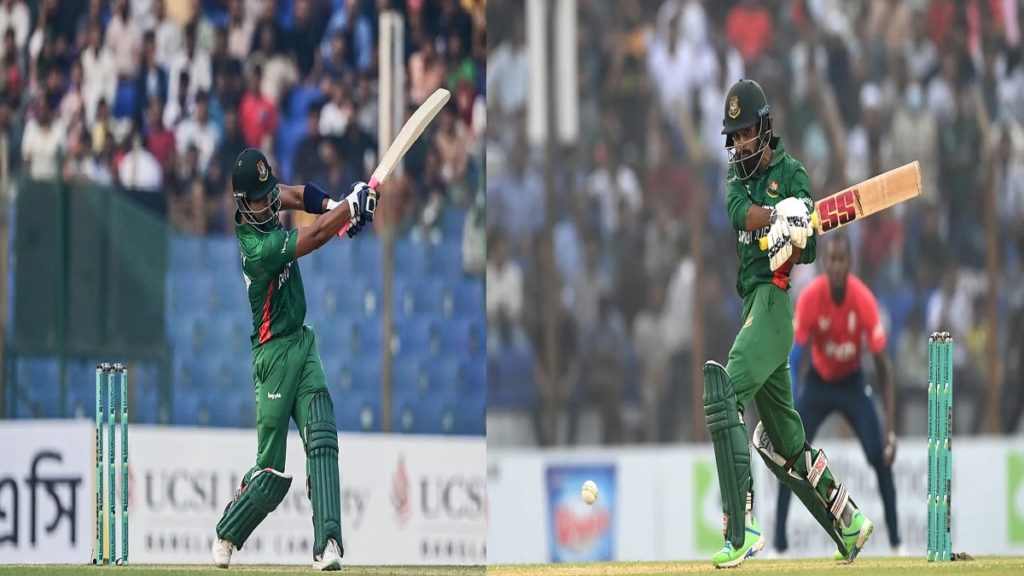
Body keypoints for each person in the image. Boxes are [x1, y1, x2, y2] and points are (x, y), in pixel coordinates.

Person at [700, 79, 873, 568]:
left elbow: (811, 247)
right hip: (753, 306)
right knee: (784, 445)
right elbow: (739, 214)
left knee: (723, 394)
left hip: (774, 300)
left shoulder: (792, 173)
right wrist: (779, 215)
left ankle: (741, 530)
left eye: (745, 134)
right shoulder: (737, 178)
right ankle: (849, 523)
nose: (739, 145)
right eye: (733, 137)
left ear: (764, 128)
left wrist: (796, 232)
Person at [210, 148, 378, 571]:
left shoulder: (265, 198)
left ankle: (328, 543)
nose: (269, 203)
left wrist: (339, 205)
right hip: (272, 357)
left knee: (322, 436)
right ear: (241, 204)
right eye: (260, 199)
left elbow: (301, 196)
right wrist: (348, 209)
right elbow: (316, 235)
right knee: (270, 477)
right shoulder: (256, 248)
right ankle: (228, 530)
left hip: (302, 343)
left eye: (269, 192)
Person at [775, 233, 901, 556]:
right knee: (790, 455)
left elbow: (885, 371)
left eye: (841, 259)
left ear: (850, 263)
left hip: (852, 384)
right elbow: (794, 359)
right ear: (824, 264)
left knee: (880, 456)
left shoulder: (863, 300)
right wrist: (787, 407)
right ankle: (779, 546)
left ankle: (896, 543)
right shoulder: (810, 298)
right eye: (830, 260)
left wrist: (890, 431)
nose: (835, 266)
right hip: (818, 383)